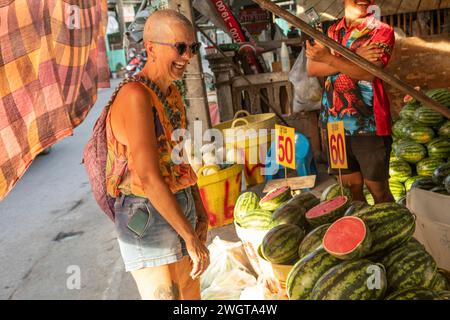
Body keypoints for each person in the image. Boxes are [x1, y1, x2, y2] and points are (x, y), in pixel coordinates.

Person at [106, 10, 209, 300]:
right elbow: (150, 179)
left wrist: (201, 214)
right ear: (150, 47)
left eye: (193, 47)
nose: (187, 56)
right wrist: (189, 236)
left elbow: (180, 159)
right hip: (146, 216)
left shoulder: (171, 94)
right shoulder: (136, 96)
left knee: (191, 300)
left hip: (180, 207)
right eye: (180, 47)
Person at [306, 0, 395, 204]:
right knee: (350, 188)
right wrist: (355, 57)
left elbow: (368, 73)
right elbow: (312, 69)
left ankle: (394, 230)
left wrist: (330, 58)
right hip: (335, 124)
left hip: (369, 124)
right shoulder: (327, 31)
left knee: (378, 189)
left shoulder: (380, 31)